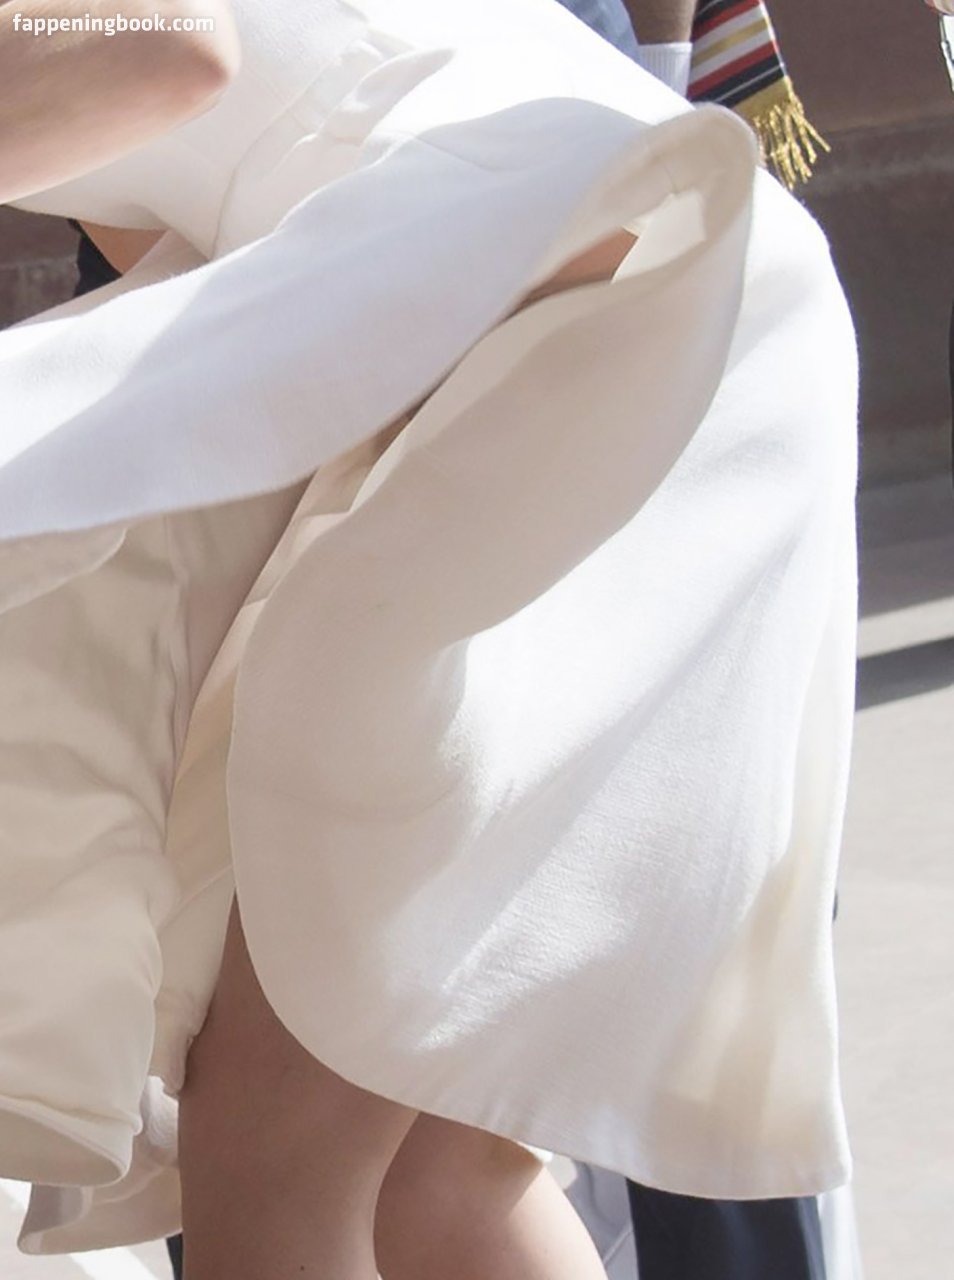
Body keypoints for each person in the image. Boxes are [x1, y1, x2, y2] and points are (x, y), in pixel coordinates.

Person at [0, 2, 859, 1278]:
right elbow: (221, 192)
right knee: (435, 1158)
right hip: (644, 284)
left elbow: (172, 43)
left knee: (274, 1152)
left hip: (603, 290)